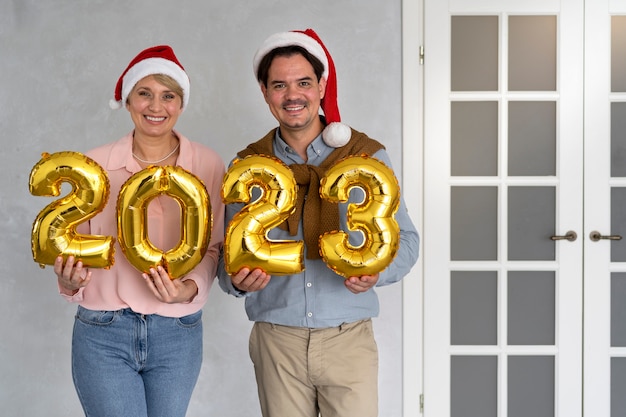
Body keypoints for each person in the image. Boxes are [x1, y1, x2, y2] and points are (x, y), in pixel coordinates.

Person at [217, 29, 420, 417]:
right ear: (265, 92)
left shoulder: (366, 156)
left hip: (349, 339)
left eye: (303, 82)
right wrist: (237, 281)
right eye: (279, 85)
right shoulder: (247, 167)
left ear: (321, 85)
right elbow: (228, 265)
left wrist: (377, 271)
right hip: (277, 342)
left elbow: (406, 240)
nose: (293, 95)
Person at [53, 45, 225, 417]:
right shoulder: (95, 164)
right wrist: (69, 281)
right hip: (104, 330)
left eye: (168, 96)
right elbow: (76, 245)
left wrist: (189, 288)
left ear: (181, 103)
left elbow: (214, 248)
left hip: (177, 332)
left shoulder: (208, 164)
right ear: (128, 100)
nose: (156, 106)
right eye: (144, 93)